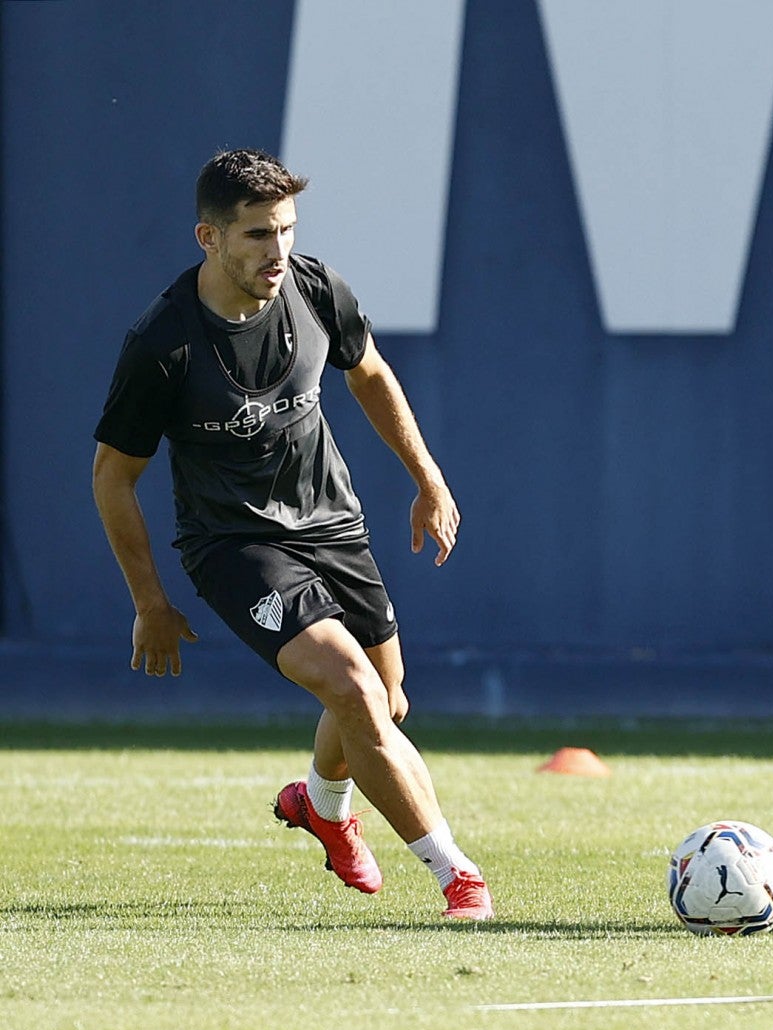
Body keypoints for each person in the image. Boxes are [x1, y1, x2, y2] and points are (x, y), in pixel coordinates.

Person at [92, 149, 492, 920]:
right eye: (256, 236)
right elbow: (113, 476)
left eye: (286, 230)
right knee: (351, 689)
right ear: (208, 239)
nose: (276, 252)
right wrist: (150, 601)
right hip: (235, 546)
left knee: (389, 702)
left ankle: (320, 803)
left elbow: (368, 371)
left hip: (332, 522)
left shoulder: (313, 287)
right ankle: (457, 875)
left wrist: (427, 478)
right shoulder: (163, 345)